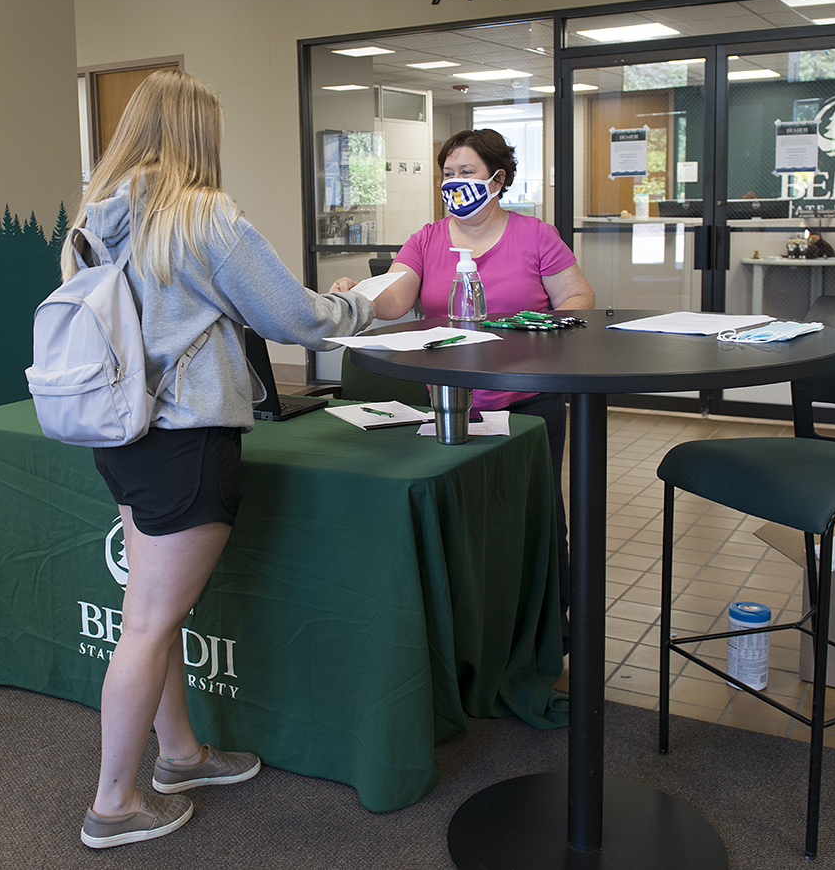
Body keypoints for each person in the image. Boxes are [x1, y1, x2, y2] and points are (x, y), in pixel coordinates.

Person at [67, 69, 375, 849]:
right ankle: (113, 805)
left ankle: (181, 756)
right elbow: (299, 319)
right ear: (201, 135)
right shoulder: (204, 218)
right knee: (146, 623)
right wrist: (369, 303)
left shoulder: (93, 220)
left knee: (153, 611)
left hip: (122, 436)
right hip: (186, 439)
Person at [330, 128, 594, 657]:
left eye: (466, 172)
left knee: (536, 516)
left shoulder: (536, 235)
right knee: (462, 513)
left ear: (498, 178)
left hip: (527, 404)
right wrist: (356, 298)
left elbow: (579, 297)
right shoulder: (428, 239)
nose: (454, 184)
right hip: (449, 404)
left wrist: (535, 328)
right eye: (448, 174)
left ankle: (552, 637)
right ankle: (470, 635)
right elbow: (398, 296)